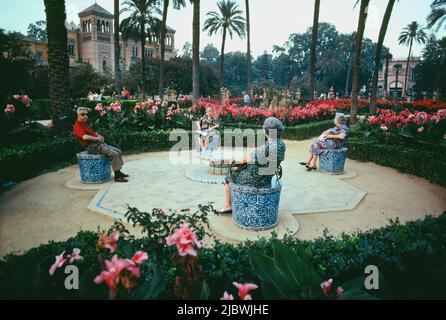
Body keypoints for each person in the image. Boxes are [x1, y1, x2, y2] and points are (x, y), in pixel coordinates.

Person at [218, 117, 286, 214]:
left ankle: (228, 206)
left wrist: (233, 160)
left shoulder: (267, 146)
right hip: (267, 177)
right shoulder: (281, 144)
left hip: (255, 178)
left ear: (265, 131)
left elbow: (246, 159)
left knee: (228, 177)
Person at [73, 107, 129, 182]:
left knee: (118, 151)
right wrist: (97, 139)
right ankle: (117, 176)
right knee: (114, 154)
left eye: (86, 114)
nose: (85, 116)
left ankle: (119, 171)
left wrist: (99, 136)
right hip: (92, 147)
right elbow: (85, 137)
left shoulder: (84, 124)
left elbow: (92, 133)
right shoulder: (77, 126)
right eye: (82, 114)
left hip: (98, 144)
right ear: (78, 115)